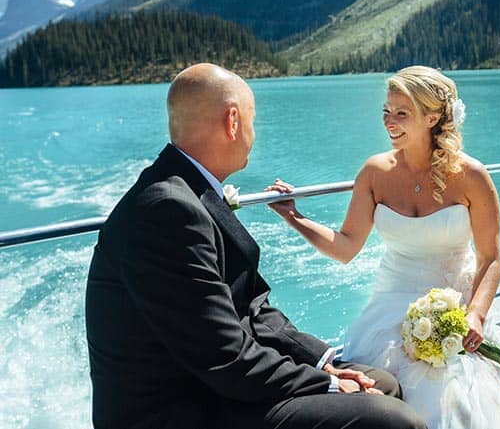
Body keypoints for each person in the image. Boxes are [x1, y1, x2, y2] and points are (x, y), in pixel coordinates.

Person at [85, 63, 427, 429]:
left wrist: (320, 362)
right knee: (392, 421)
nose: (253, 131)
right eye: (252, 119)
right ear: (233, 122)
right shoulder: (167, 209)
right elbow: (224, 356)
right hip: (181, 407)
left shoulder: (190, 192)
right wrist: (330, 383)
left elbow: (252, 306)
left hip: (215, 386)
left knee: (384, 385)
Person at [266, 65, 500, 428]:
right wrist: (294, 217)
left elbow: (490, 258)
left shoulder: (472, 176)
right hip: (388, 307)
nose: (389, 121)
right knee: (381, 395)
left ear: (432, 117)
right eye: (386, 112)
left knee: (457, 398)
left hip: (458, 305)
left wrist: (476, 316)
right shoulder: (374, 172)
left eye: (401, 113)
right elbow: (345, 248)